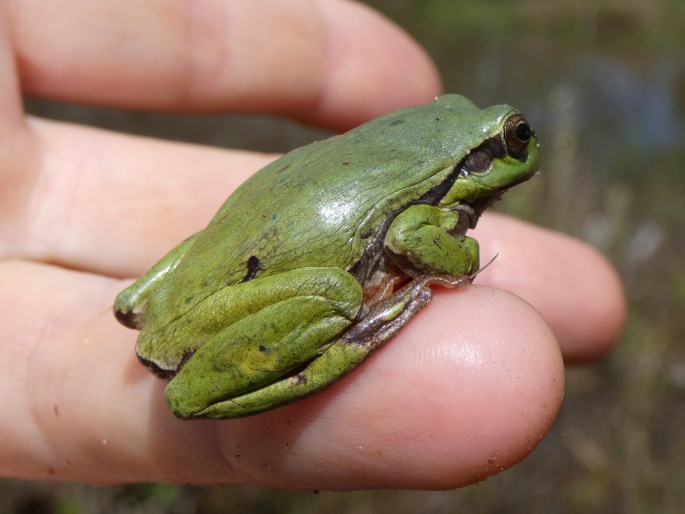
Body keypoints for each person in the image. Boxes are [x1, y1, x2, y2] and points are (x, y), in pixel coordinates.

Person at [0, 1, 624, 489]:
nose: (523, 147)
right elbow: (411, 237)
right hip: (285, 285)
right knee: (333, 291)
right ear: (478, 157)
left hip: (202, 279)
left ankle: (162, 309)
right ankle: (335, 339)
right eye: (514, 139)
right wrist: (457, 258)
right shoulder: (436, 192)